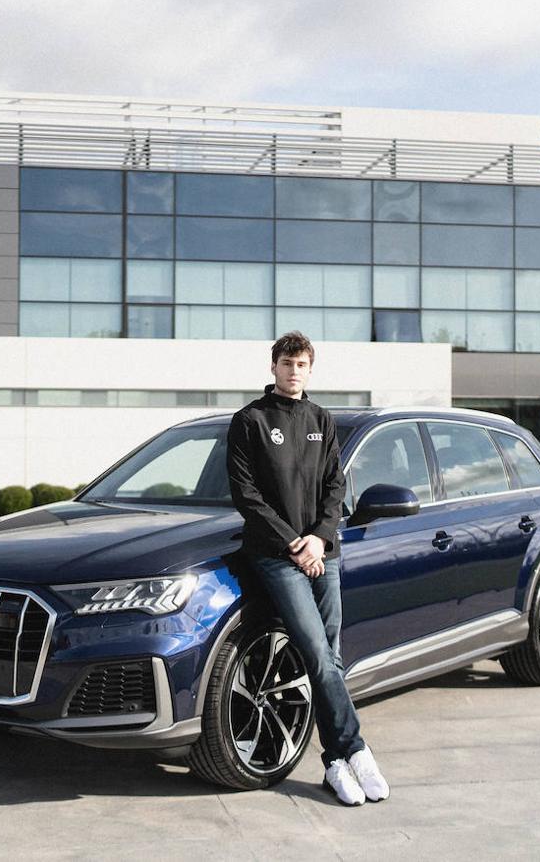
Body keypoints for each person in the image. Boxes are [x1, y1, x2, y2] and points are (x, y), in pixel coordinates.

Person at [226, 331, 390, 806]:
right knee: (317, 653)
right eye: (286, 363)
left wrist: (319, 538)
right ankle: (356, 749)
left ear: (310, 370)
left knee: (332, 659)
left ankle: (334, 763)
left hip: (324, 553)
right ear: (273, 367)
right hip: (276, 557)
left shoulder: (323, 420)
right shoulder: (249, 421)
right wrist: (294, 543)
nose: (293, 371)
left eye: (301, 364)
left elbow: (336, 487)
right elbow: (246, 495)